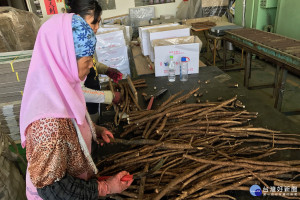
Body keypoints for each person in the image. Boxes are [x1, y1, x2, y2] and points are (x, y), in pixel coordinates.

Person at [20, 13, 132, 200]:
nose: (90, 67)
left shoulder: (60, 87)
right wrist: (106, 187)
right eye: (87, 61)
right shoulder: (49, 125)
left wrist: (93, 130)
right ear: (65, 59)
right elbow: (53, 189)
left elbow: (72, 123)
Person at [67, 0, 123, 123]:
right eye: (94, 22)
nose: (97, 27)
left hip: (93, 97)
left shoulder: (83, 40)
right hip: (84, 106)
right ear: (78, 21)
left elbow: (90, 61)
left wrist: (105, 69)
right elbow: (77, 90)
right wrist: (110, 96)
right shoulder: (73, 44)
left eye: (99, 22)